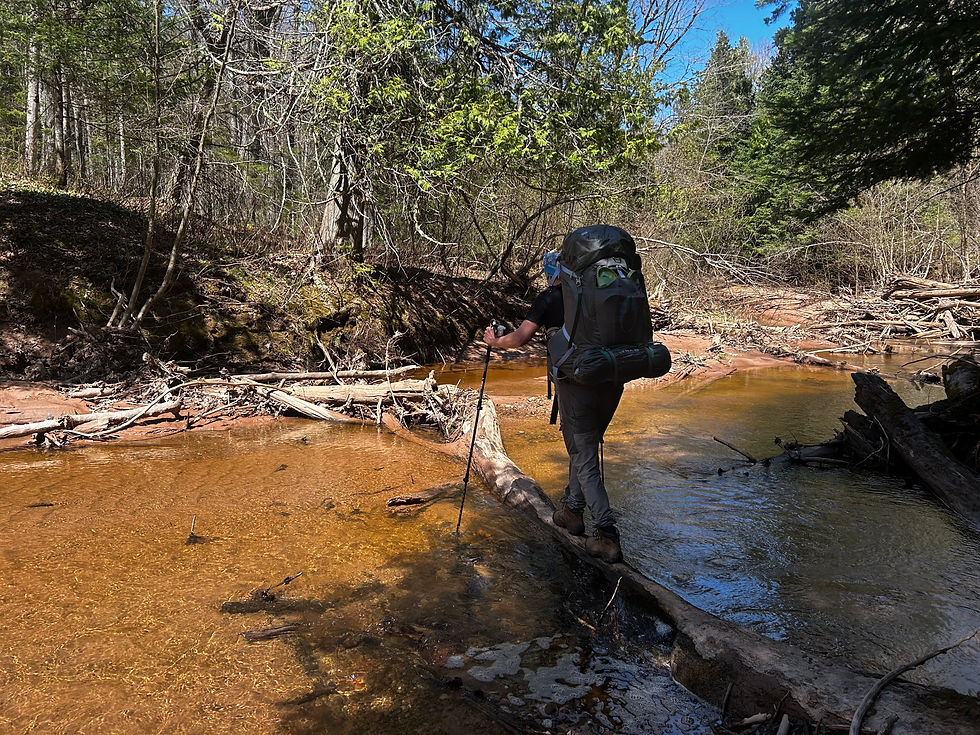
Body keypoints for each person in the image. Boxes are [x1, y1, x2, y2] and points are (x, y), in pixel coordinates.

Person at [483, 249, 625, 563]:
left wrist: (494, 342)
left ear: (554, 272)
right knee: (583, 447)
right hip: (613, 380)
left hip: (578, 386)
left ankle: (607, 536)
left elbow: (519, 339)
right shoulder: (597, 296)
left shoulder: (550, 299)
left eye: (548, 271)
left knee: (583, 454)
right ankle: (573, 512)